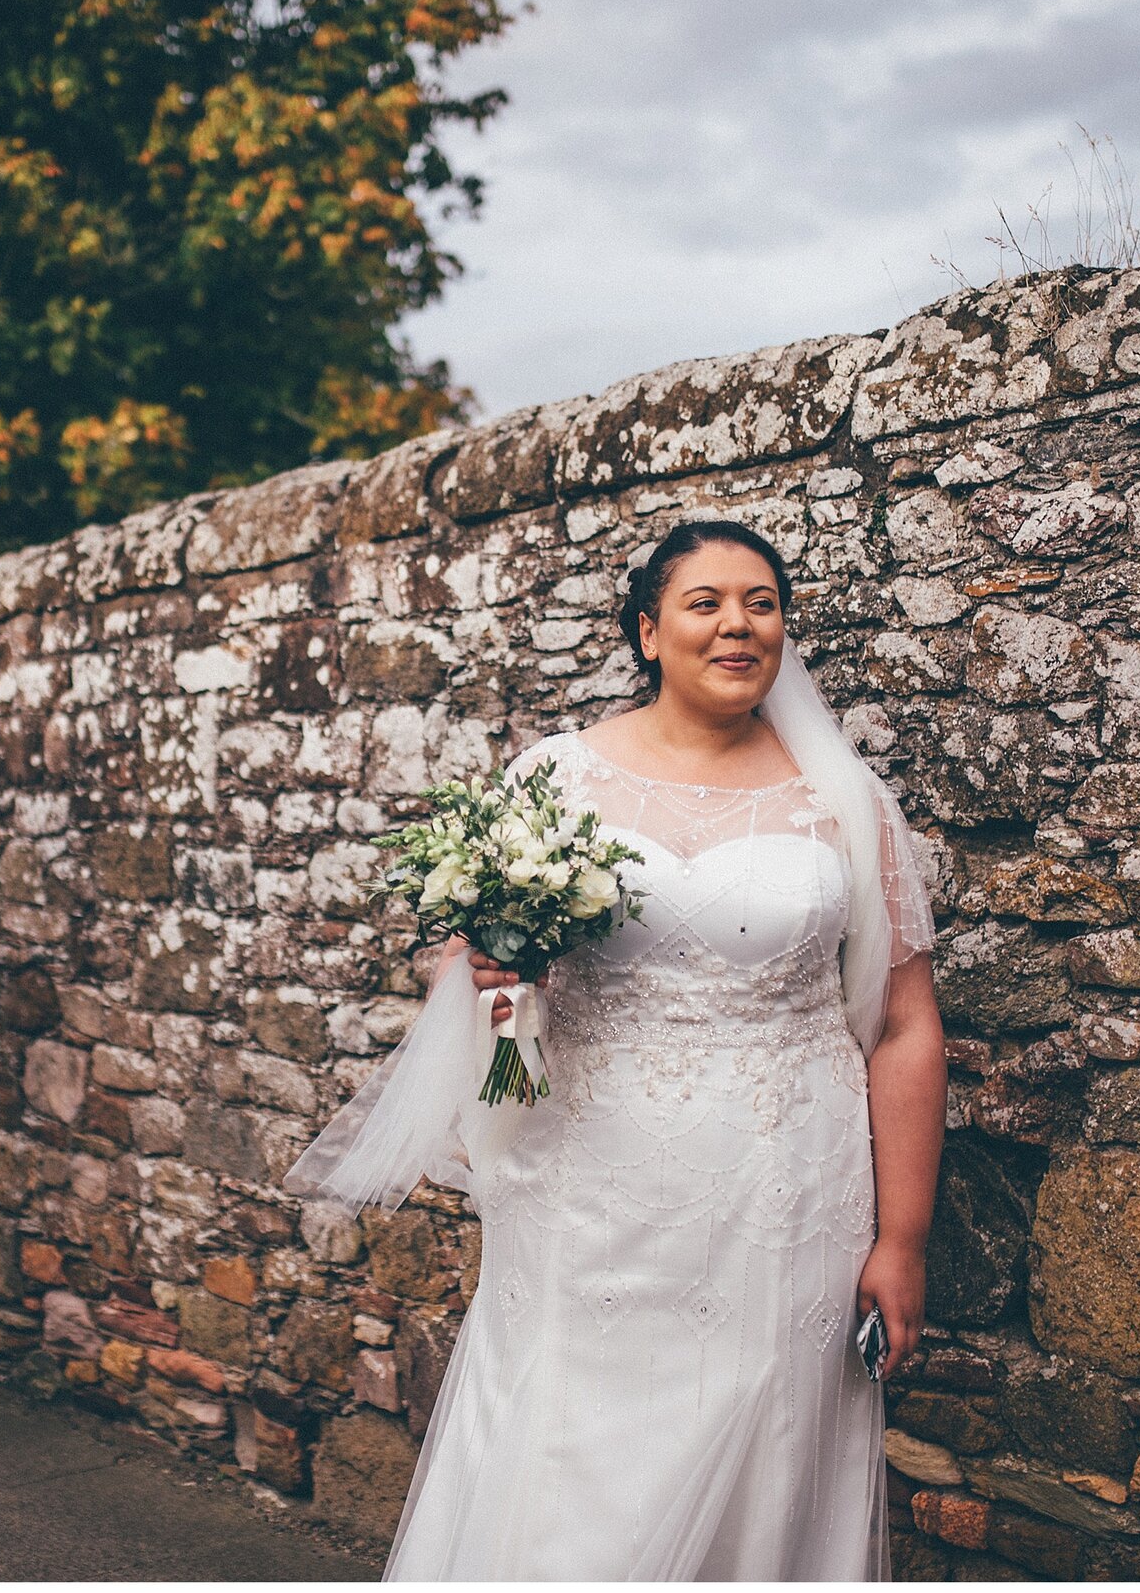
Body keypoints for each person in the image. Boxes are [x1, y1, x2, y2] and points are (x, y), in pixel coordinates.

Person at [286, 518, 947, 1579]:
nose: (738, 624)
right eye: (705, 602)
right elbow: (473, 976)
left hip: (781, 1194)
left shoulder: (844, 799)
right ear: (648, 630)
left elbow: (907, 1026)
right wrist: (493, 979)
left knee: (763, 1445)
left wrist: (900, 1238)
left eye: (762, 603)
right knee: (572, 1453)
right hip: (586, 1184)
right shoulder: (554, 778)